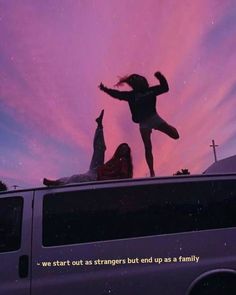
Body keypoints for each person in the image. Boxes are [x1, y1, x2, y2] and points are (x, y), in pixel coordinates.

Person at [99, 71, 179, 177]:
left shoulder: (151, 91)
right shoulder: (131, 95)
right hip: (143, 123)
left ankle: (168, 127)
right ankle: (152, 171)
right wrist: (105, 89)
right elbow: (117, 95)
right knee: (147, 146)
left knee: (175, 136)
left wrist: (160, 77)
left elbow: (165, 88)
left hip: (154, 118)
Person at [43, 110, 133, 186]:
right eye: (122, 148)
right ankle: (99, 126)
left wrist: (103, 179)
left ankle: (59, 182)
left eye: (125, 149)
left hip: (97, 177)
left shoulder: (124, 162)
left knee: (76, 178)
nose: (123, 150)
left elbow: (123, 178)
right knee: (99, 149)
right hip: (97, 170)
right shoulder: (116, 160)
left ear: (127, 152)